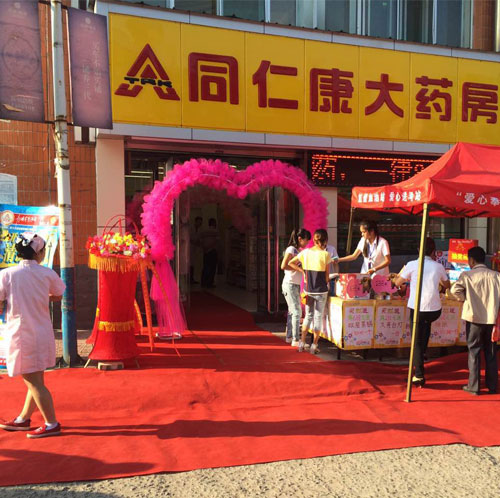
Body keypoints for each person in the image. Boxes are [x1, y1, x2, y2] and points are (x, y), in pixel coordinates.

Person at [0, 232, 65, 438]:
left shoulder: (8, 274)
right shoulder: (47, 273)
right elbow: (58, 294)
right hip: (42, 331)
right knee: (35, 378)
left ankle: (51, 423)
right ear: (39, 253)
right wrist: (40, 295)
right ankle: (23, 419)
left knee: (33, 381)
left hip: (22, 333)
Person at [394, 237, 450, 386]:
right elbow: (447, 284)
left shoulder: (412, 265)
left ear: (419, 250)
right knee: (425, 329)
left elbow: (397, 282)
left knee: (416, 342)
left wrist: (399, 277)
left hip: (417, 308)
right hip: (434, 310)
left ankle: (419, 375)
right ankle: (422, 355)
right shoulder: (438, 266)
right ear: (433, 251)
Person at [450, 246, 500, 395]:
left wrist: (465, 299)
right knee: (491, 353)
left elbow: (454, 290)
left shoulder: (467, 275)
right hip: (492, 319)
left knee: (474, 352)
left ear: (471, 260)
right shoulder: (496, 275)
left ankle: (474, 386)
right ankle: (492, 386)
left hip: (473, 318)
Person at [289, 229, 331, 354]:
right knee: (318, 317)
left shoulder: (305, 252)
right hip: (321, 290)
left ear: (313, 240)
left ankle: (301, 343)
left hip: (309, 290)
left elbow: (290, 263)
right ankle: (314, 346)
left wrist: (303, 272)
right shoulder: (326, 255)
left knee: (308, 316)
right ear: (325, 241)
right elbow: (327, 276)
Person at [281, 228, 311, 346]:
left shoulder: (298, 250)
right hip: (290, 283)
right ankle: (295, 339)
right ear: (299, 239)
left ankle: (290, 337)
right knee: (296, 311)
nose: (307, 243)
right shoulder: (291, 249)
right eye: (306, 240)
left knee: (292, 311)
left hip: (294, 284)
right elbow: (284, 265)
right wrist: (300, 270)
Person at [201, 218, 219, 289]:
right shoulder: (215, 231)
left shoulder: (204, 231)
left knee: (205, 267)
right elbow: (216, 241)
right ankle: (209, 282)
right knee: (212, 268)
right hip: (212, 251)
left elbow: (200, 240)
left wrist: (205, 247)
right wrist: (210, 247)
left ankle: (203, 282)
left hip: (205, 251)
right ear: (214, 223)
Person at [190, 216, 203, 284]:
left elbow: (199, 238)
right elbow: (189, 237)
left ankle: (192, 278)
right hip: (190, 247)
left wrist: (198, 243)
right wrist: (194, 242)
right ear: (195, 221)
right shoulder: (191, 228)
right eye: (198, 222)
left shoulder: (200, 230)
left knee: (193, 264)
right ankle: (190, 278)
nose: (199, 223)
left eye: (200, 222)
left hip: (195, 248)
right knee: (189, 263)